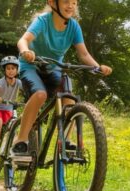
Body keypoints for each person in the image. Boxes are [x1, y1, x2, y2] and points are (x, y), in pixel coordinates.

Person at [14, 0, 113, 157]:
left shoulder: (74, 27)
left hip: (54, 68)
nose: (71, 6)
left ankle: (65, 140)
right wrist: (26, 51)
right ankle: (21, 140)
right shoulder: (43, 21)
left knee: (68, 97)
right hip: (31, 66)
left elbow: (84, 54)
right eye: (66, 1)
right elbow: (23, 40)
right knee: (40, 95)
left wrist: (97, 67)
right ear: (53, 3)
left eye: (74, 3)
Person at [0, 56, 22, 152]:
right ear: (4, 70)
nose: (11, 71)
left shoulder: (18, 83)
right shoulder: (1, 82)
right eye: (8, 68)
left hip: (8, 109)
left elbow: (27, 90)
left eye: (13, 68)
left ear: (17, 70)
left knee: (14, 127)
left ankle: (14, 147)